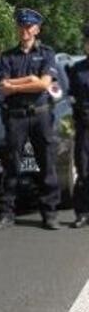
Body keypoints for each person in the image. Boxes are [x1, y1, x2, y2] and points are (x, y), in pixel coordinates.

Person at [0, 8, 60, 231]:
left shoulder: (47, 53)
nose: (25, 30)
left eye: (29, 26)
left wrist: (16, 84)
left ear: (37, 29)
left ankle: (49, 213)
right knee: (11, 164)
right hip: (16, 117)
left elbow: (43, 84)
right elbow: (3, 87)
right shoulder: (7, 56)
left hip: (40, 114)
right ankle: (6, 213)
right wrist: (29, 80)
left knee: (47, 164)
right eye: (21, 26)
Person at [68, 23, 89, 228]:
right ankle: (82, 212)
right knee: (83, 170)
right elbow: (72, 98)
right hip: (85, 127)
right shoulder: (77, 69)